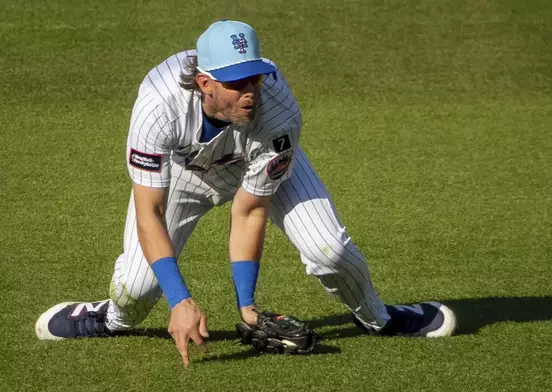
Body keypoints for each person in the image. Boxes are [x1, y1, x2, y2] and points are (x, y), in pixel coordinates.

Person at [35, 20, 456, 364]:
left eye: (254, 77)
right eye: (237, 82)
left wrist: (247, 307)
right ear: (205, 83)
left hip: (255, 164)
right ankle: (111, 318)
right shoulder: (158, 105)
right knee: (137, 289)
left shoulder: (278, 110)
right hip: (183, 175)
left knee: (330, 250)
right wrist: (180, 301)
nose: (251, 90)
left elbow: (250, 209)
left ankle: (378, 318)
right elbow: (150, 212)